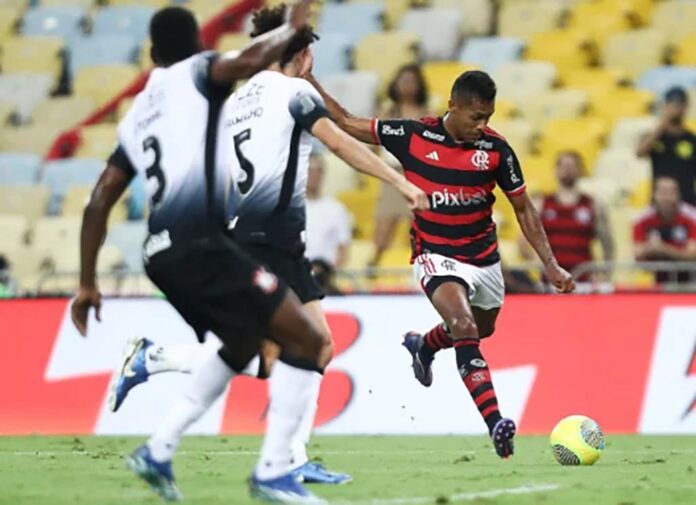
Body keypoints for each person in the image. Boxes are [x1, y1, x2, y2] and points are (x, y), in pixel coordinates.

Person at [100, 2, 428, 497]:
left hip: (253, 233)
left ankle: (291, 458)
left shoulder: (233, 101)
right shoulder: (293, 91)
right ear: (302, 55)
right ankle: (158, 365)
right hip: (272, 235)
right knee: (278, 354)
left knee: (315, 345)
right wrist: (399, 181)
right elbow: (338, 142)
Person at [70, 3, 336, 503]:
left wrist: (87, 282)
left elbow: (100, 198)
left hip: (159, 253)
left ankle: (159, 449)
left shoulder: (138, 114)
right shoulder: (199, 73)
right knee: (308, 339)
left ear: (151, 54)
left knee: (240, 347)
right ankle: (275, 472)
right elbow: (251, 59)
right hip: (204, 244)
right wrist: (294, 25)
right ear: (197, 44)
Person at [305, 68, 575, 458]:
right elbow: (345, 122)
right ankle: (496, 422)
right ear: (453, 106)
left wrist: (550, 265)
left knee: (482, 328)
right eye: (476, 117)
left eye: (489, 117)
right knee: (463, 324)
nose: (483, 125)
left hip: (483, 258)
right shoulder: (413, 136)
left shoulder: (496, 151)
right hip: (435, 254)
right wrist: (310, 80)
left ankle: (424, 346)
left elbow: (524, 208)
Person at [521, 151, 614, 282]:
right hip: (552, 280)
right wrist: (539, 262)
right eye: (564, 166)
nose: (568, 170)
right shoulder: (541, 204)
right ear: (555, 170)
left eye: (572, 166)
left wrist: (605, 273)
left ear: (581, 171)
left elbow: (607, 243)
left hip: (584, 278)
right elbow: (524, 240)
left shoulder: (593, 205)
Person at [372, 64, 431, 266]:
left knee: (420, 230)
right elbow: (372, 144)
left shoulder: (427, 114)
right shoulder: (385, 112)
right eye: (403, 81)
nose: (406, 86)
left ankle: (422, 269)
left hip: (417, 175)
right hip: (391, 175)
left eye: (411, 81)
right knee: (382, 232)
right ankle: (373, 270)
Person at [636, 86, 696, 206]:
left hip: (687, 202)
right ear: (664, 106)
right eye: (671, 105)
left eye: (679, 105)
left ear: (685, 108)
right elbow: (640, 153)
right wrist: (661, 127)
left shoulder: (691, 139)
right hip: (659, 202)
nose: (675, 109)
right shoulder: (653, 136)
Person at [633, 176, 696, 284]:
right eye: (662, 192)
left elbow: (692, 254)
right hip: (658, 281)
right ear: (654, 195)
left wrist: (662, 248)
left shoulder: (692, 217)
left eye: (671, 192)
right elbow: (638, 253)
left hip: (691, 280)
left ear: (678, 195)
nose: (667, 197)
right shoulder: (641, 219)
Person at [304, 153, 352, 268]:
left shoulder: (337, 209)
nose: (314, 176)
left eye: (318, 171)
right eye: (310, 171)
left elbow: (343, 247)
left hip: (325, 274)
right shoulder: (290, 208)